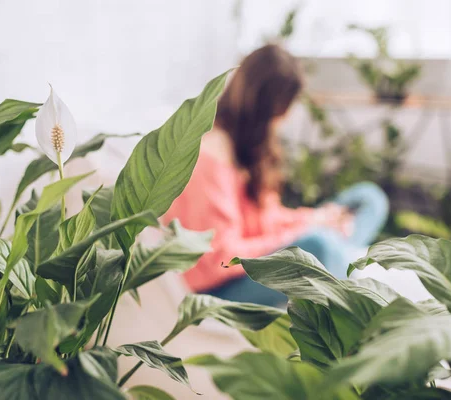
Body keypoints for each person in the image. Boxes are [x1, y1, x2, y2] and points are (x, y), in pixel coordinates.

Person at [162, 44, 389, 307]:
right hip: (218, 288)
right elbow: (221, 260)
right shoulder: (209, 156)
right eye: (285, 108)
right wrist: (305, 232)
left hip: (249, 260)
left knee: (369, 199)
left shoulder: (243, 145)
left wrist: (314, 218)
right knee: (319, 248)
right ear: (269, 107)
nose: (287, 117)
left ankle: (339, 260)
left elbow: (264, 220)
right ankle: (340, 262)